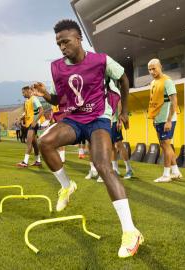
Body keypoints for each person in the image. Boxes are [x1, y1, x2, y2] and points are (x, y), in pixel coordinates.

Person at [32, 19, 143, 258]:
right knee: (44, 142)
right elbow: (60, 99)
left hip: (99, 119)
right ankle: (66, 186)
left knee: (103, 165)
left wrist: (123, 111)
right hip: (73, 119)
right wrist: (45, 95)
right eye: (58, 43)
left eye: (66, 41)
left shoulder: (101, 60)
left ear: (79, 39)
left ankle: (131, 231)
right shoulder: (57, 67)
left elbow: (123, 80)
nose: (62, 47)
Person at [147, 59, 182, 182]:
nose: (152, 71)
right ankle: (176, 171)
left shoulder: (167, 81)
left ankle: (166, 175)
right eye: (149, 69)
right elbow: (154, 103)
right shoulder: (152, 83)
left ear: (160, 66)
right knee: (164, 145)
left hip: (167, 119)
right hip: (158, 119)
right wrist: (154, 118)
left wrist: (168, 120)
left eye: (154, 68)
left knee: (166, 145)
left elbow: (174, 102)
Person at [17, 86, 43, 167]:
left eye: (24, 92)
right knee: (34, 143)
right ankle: (38, 161)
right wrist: (20, 118)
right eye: (22, 93)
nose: (23, 94)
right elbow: (26, 113)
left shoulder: (34, 99)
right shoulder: (26, 101)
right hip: (29, 124)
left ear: (28, 91)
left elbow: (41, 110)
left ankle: (25, 162)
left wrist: (35, 122)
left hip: (33, 123)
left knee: (28, 142)